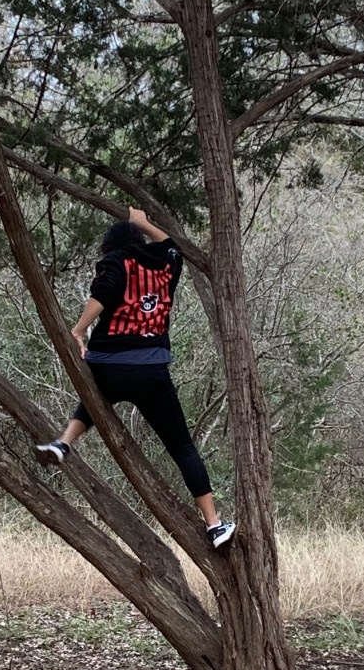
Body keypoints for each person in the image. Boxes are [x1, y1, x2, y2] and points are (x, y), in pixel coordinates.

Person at [35, 207, 236, 549]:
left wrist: (79, 330)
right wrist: (142, 221)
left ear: (111, 246)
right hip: (150, 369)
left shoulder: (117, 261)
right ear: (138, 239)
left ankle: (63, 443)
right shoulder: (167, 265)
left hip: (107, 364)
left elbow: (103, 295)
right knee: (183, 447)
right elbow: (172, 244)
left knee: (93, 398)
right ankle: (214, 524)